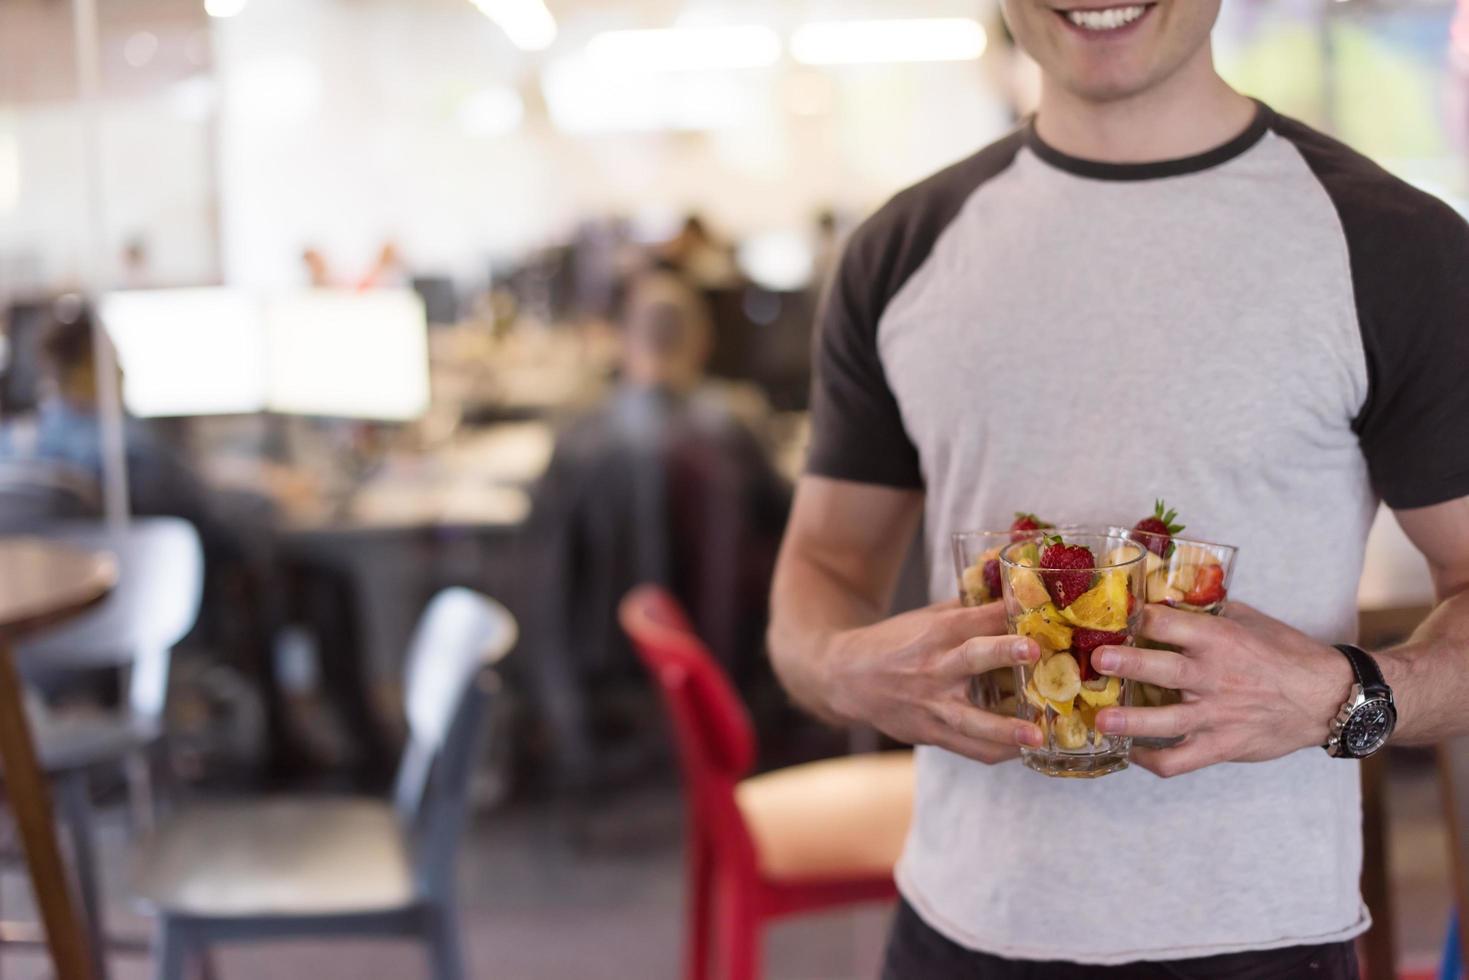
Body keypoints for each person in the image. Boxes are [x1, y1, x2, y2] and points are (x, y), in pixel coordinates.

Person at [768, 3, 1469, 978]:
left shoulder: (1392, 247)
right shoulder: (900, 250)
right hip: (957, 923)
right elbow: (824, 560)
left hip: (1260, 938)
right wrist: (840, 669)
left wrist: (1339, 695)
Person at [528, 272, 789, 793]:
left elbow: (545, 554)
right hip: (722, 643)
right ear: (702, 340)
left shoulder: (576, 434)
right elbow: (788, 519)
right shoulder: (736, 424)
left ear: (622, 340)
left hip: (602, 642)